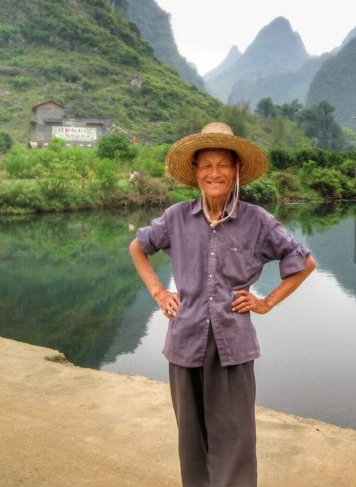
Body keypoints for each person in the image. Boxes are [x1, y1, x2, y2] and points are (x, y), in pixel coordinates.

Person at [128, 122, 316, 487]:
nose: (215, 173)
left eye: (223, 165)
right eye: (207, 165)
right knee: (192, 440)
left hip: (233, 345)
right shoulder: (177, 217)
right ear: (196, 171)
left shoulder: (257, 221)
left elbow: (304, 262)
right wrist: (160, 294)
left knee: (235, 439)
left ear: (236, 171)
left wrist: (266, 302)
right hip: (185, 341)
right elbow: (138, 247)